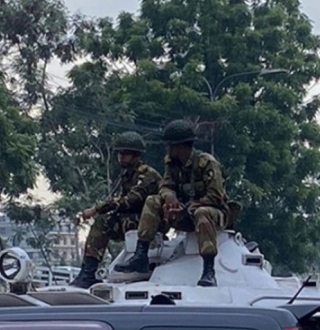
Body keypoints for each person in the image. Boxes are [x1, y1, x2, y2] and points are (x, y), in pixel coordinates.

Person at [115, 119, 229, 287]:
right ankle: (141, 255)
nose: (167, 149)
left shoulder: (207, 163)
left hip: (213, 215)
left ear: (180, 146)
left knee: (202, 212)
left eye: (170, 145)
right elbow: (165, 185)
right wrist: (170, 197)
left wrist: (186, 208)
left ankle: (208, 271)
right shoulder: (172, 163)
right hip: (183, 212)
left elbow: (216, 197)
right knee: (153, 200)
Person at [70, 132, 162, 288]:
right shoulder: (127, 175)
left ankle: (140, 257)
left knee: (104, 219)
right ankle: (88, 273)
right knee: (102, 222)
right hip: (135, 220)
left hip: (151, 222)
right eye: (119, 153)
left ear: (136, 155)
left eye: (125, 153)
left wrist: (96, 209)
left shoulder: (148, 176)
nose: (121, 157)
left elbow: (129, 201)